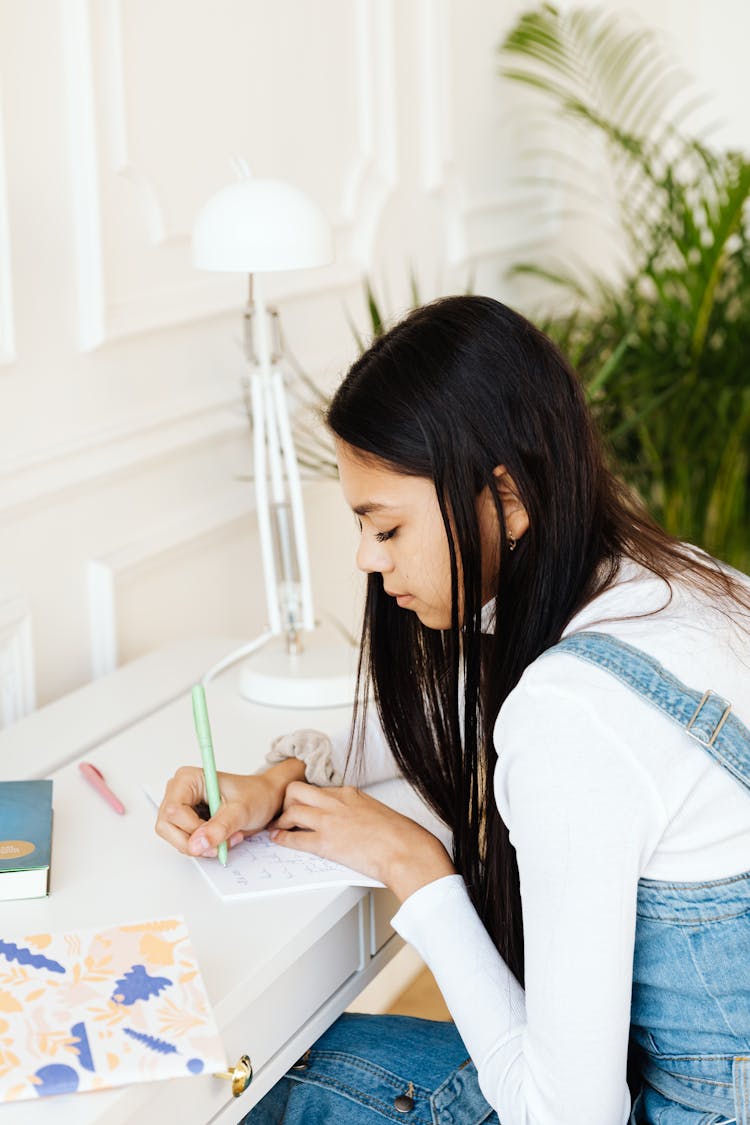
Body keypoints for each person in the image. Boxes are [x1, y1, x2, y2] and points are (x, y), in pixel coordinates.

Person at [155, 295, 750, 1125]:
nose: (366, 557)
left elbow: (570, 1115)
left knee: (252, 1078)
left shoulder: (574, 714)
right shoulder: (679, 590)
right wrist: (281, 776)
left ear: (505, 498)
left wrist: (413, 864)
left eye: (386, 528)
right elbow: (452, 715)